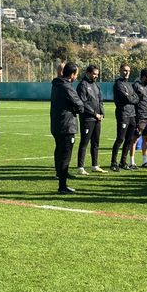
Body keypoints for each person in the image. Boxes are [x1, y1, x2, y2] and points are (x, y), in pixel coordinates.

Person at [50, 63, 84, 194]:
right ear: (72, 74)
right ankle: (62, 186)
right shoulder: (66, 87)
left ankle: (60, 178)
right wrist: (76, 109)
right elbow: (79, 104)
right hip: (67, 125)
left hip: (57, 124)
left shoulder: (56, 85)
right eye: (76, 74)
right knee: (65, 155)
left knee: (59, 152)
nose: (76, 76)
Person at [76, 65, 106, 175]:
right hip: (88, 119)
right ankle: (80, 167)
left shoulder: (96, 85)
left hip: (97, 119)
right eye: (94, 74)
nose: (96, 76)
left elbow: (100, 100)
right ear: (88, 73)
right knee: (84, 142)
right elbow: (83, 103)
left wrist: (102, 113)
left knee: (96, 142)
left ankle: (95, 165)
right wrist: (94, 114)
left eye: (97, 74)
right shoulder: (82, 85)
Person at [110, 63, 139, 171]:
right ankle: (113, 163)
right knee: (120, 138)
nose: (127, 73)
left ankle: (123, 162)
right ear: (120, 71)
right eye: (125, 70)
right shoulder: (118, 84)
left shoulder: (129, 84)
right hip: (123, 114)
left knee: (129, 139)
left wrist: (132, 98)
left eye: (128, 71)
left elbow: (136, 98)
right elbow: (128, 99)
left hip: (132, 114)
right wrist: (132, 98)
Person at [132, 68, 147, 168]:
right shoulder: (136, 85)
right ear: (144, 77)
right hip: (140, 116)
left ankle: (145, 161)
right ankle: (131, 162)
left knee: (146, 139)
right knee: (135, 139)